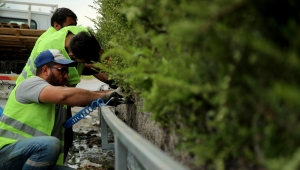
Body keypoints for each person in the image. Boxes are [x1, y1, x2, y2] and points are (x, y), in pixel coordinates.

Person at [0, 49, 121, 169]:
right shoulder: (31, 84)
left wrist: (112, 93)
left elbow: (82, 96)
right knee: (50, 144)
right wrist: (105, 96)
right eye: (61, 70)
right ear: (45, 70)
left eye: (67, 71)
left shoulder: (53, 98)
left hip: (31, 159)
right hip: (7, 155)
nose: (66, 75)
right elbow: (65, 95)